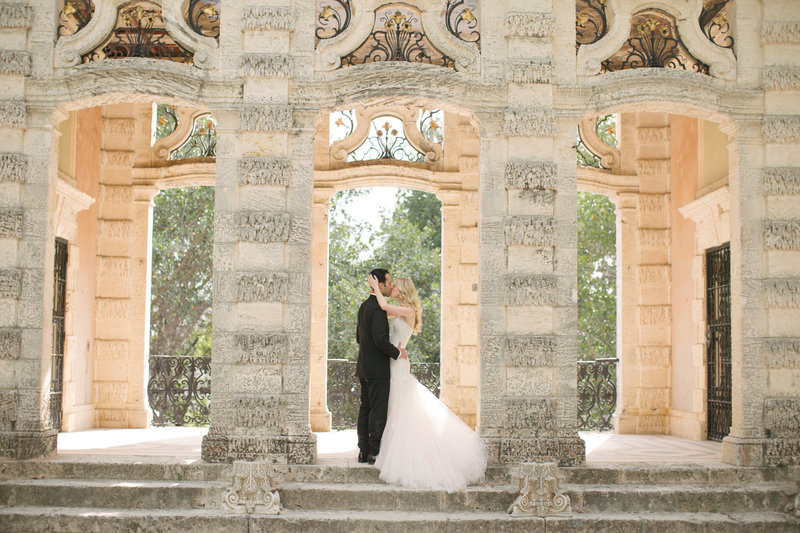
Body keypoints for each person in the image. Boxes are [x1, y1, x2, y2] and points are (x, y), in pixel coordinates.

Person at [366, 274, 487, 492]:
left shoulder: (408, 311)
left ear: (402, 290)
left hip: (398, 364)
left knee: (401, 406)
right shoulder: (401, 309)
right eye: (390, 285)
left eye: (394, 285)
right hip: (394, 361)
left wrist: (376, 286)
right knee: (395, 405)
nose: (391, 287)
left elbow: (382, 305)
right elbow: (381, 309)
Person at [356, 268, 408, 465]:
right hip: (378, 368)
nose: (390, 285)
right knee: (378, 410)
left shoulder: (363, 306)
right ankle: (374, 453)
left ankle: (363, 451)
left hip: (363, 366)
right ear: (380, 285)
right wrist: (397, 353)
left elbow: (358, 337)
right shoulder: (378, 309)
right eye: (388, 282)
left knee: (365, 408)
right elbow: (380, 339)